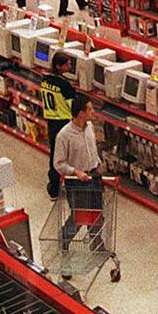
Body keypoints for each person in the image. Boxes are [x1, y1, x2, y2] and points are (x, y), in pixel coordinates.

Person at [54, 97, 103, 249]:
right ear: (81, 113)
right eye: (90, 109)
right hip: (77, 182)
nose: (93, 112)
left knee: (96, 213)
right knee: (80, 216)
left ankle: (96, 243)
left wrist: (98, 163)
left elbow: (92, 150)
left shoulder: (89, 127)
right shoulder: (64, 135)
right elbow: (59, 163)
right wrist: (76, 172)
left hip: (93, 177)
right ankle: (64, 241)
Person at [40, 52, 78, 198]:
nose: (70, 66)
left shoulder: (45, 79)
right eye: (67, 64)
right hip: (64, 122)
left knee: (54, 155)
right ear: (58, 66)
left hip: (51, 121)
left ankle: (53, 188)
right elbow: (72, 106)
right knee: (68, 156)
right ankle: (69, 187)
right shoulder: (65, 85)